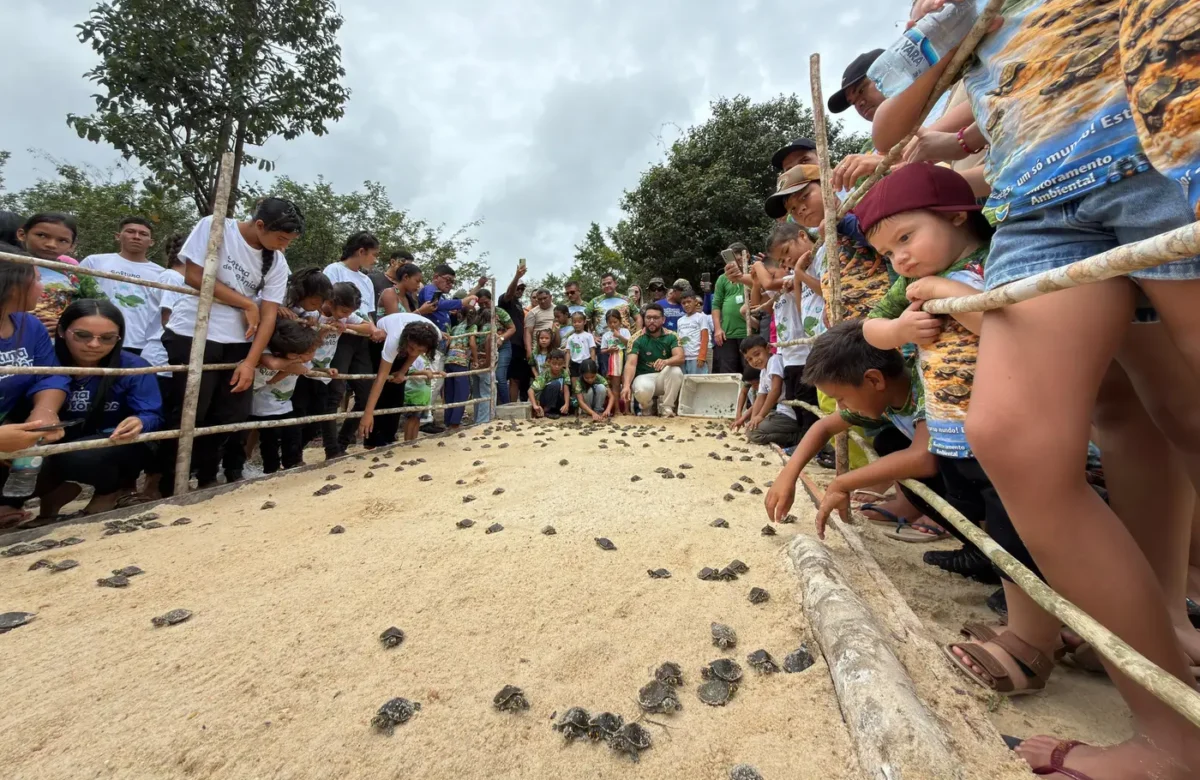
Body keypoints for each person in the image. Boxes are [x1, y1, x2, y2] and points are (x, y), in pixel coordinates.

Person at [875, 4, 1200, 773]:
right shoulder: (963, 18)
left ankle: (1165, 623)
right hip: (1037, 201)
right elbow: (897, 119)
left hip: (1162, 139)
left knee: (1182, 414)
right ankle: (1171, 732)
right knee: (1014, 437)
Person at [159, 197, 301, 495]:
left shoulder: (276, 260)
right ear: (260, 225)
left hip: (239, 341)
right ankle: (170, 482)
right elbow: (194, 276)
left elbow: (270, 314)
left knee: (229, 414)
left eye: (289, 240)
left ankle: (209, 477)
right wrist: (246, 302)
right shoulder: (215, 227)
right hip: (194, 331)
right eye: (281, 238)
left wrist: (250, 361)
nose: (283, 245)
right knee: (189, 410)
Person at [30, 300, 162, 520]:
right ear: (62, 331)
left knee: (74, 457)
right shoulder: (43, 362)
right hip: (53, 441)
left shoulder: (134, 366)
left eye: (107, 338)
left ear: (119, 338)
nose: (94, 344)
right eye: (82, 335)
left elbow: (152, 414)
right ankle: (47, 496)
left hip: (111, 442)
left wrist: (139, 421)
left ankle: (110, 490)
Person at [322, 232, 386, 454]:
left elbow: (368, 312)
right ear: (361, 252)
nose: (375, 260)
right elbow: (327, 304)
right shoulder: (334, 270)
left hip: (360, 337)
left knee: (365, 393)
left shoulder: (367, 280)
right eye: (374, 255)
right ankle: (331, 448)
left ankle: (343, 441)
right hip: (339, 337)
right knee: (336, 391)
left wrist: (373, 328)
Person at [78, 217, 168, 354]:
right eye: (130, 232)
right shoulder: (94, 262)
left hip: (142, 344)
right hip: (97, 338)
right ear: (118, 236)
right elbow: (75, 296)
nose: (136, 237)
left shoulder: (162, 274)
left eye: (143, 234)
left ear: (151, 242)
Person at [248, 318, 319, 474]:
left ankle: (291, 464)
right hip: (263, 405)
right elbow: (271, 379)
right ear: (294, 354)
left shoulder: (297, 358)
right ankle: (271, 469)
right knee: (270, 440)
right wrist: (291, 367)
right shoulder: (274, 356)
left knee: (292, 434)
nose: (311, 356)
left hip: (285, 404)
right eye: (308, 353)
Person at [15, 213, 103, 334]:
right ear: (22, 234)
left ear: (71, 246)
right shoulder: (7, 266)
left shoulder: (76, 275)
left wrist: (68, 323)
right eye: (41, 235)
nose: (51, 244)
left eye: (62, 240)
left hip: (54, 345)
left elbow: (101, 308)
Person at [358, 313, 440, 440]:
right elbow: (381, 378)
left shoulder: (435, 336)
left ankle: (389, 437)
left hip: (405, 342)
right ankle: (372, 440)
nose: (414, 353)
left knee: (397, 391)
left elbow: (414, 352)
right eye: (412, 348)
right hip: (382, 339)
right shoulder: (394, 339)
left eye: (420, 350)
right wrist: (368, 415)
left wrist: (402, 371)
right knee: (383, 390)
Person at [419, 263, 477, 426]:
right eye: (448, 280)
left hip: (441, 345)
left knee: (437, 383)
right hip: (432, 345)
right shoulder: (431, 290)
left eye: (453, 282)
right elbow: (434, 304)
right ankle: (423, 418)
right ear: (436, 277)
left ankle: (426, 416)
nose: (450, 285)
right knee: (432, 382)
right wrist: (460, 303)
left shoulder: (442, 297)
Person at [731, 335, 800, 447]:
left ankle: (796, 438)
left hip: (790, 414)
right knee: (751, 428)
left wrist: (760, 416)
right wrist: (754, 419)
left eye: (757, 354)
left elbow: (775, 390)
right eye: (749, 359)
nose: (755, 361)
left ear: (768, 348)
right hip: (780, 412)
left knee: (753, 434)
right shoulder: (763, 371)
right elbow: (760, 397)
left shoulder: (775, 360)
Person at [621, 303, 684, 417]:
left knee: (676, 371)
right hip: (644, 377)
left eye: (655, 318)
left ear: (663, 319)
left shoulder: (672, 336)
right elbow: (631, 364)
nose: (651, 321)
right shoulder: (636, 339)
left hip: (663, 376)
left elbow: (680, 357)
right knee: (642, 390)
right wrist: (626, 386)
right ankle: (647, 407)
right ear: (644, 319)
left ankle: (667, 408)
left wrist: (666, 361)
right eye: (648, 318)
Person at [470, 289, 513, 425]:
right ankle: (483, 416)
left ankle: (505, 408)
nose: (484, 306)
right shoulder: (478, 314)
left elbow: (512, 328)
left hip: (502, 346)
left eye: (486, 302)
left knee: (499, 377)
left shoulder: (500, 312)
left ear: (491, 300)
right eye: (481, 303)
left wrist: (501, 338)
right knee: (480, 383)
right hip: (484, 351)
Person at [712, 244, 751, 374]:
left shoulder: (754, 274)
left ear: (746, 256)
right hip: (727, 334)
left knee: (750, 370)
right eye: (731, 261)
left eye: (738, 259)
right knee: (728, 372)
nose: (734, 264)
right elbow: (716, 304)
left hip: (749, 331)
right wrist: (717, 329)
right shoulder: (723, 279)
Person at [498, 264, 529, 405]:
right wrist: (517, 277)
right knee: (503, 377)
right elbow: (509, 293)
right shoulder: (505, 301)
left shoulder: (519, 305)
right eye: (518, 288)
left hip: (520, 346)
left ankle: (512, 405)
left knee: (516, 378)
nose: (520, 290)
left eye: (522, 289)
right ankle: (504, 405)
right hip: (508, 344)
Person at [442, 303, 476, 431]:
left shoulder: (456, 327)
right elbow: (472, 343)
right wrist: (476, 359)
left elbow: (448, 343)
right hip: (461, 362)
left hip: (449, 360)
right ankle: (455, 422)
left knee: (450, 392)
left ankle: (448, 420)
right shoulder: (472, 326)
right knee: (462, 392)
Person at [586, 273, 640, 347]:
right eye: (604, 284)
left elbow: (638, 318)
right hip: (602, 344)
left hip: (624, 342)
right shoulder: (594, 301)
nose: (606, 286)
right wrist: (591, 336)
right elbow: (584, 319)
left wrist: (637, 336)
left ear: (615, 283)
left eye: (609, 283)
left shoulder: (627, 300)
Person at [599, 309, 631, 412]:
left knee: (626, 383)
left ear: (620, 321)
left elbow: (629, 345)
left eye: (615, 322)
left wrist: (620, 336)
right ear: (607, 323)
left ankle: (627, 409)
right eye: (610, 322)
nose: (612, 324)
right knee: (615, 386)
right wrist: (609, 350)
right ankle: (617, 410)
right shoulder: (606, 335)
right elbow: (603, 350)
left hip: (625, 359)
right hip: (613, 361)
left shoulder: (625, 331)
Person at [528, 348, 571, 419]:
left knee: (572, 402)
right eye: (554, 364)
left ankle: (559, 410)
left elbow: (566, 390)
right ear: (549, 362)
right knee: (555, 384)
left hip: (557, 396)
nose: (557, 366)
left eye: (559, 364)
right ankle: (547, 411)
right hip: (543, 399)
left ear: (563, 363)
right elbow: (530, 390)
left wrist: (566, 404)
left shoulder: (564, 373)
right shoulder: (545, 374)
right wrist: (535, 405)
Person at [676, 290, 710, 376]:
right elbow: (678, 339)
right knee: (685, 383)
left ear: (695, 302)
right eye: (683, 303)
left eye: (689, 302)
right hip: (683, 358)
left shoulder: (701, 317)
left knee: (699, 383)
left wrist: (702, 357)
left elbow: (705, 338)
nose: (686, 305)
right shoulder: (680, 320)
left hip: (696, 357)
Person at [402, 354, 434, 441]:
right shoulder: (414, 356)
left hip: (423, 394)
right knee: (411, 419)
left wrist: (438, 373)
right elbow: (408, 371)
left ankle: (413, 440)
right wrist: (424, 372)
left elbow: (430, 371)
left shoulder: (425, 357)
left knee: (417, 419)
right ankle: (407, 441)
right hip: (414, 393)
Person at [524, 287, 555, 363]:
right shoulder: (532, 313)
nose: (543, 301)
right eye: (540, 299)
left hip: (554, 349)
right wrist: (529, 350)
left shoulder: (557, 309)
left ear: (550, 297)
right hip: (538, 350)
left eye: (545, 298)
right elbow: (528, 332)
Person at [564, 311, 596, 377]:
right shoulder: (570, 338)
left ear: (584, 322)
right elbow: (568, 353)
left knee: (586, 381)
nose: (577, 324)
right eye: (574, 322)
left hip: (586, 362)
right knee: (574, 384)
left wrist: (593, 364)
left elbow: (592, 350)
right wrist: (567, 367)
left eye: (579, 322)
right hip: (574, 363)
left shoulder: (588, 336)